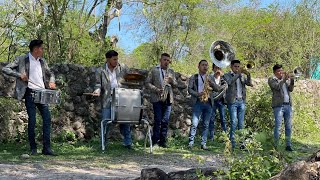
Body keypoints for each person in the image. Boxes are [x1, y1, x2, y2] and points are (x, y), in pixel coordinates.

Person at [2, 40, 57, 156]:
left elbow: (51, 73)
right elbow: (5, 69)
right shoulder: (22, 59)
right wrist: (20, 75)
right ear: (36, 49)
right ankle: (33, 148)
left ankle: (47, 148)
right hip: (29, 92)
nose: (42, 50)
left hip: (42, 93)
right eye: (41, 48)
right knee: (32, 120)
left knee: (47, 120)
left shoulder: (43, 61)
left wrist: (52, 82)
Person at [93, 50, 133, 149]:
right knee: (105, 121)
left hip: (121, 98)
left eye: (117, 59)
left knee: (125, 121)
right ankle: (103, 144)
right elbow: (98, 84)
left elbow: (131, 77)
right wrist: (97, 90)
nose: (116, 61)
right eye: (114, 59)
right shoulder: (100, 70)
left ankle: (128, 143)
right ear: (108, 59)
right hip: (107, 98)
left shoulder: (122, 68)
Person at [188, 60, 225, 150]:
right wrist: (198, 94)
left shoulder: (210, 77)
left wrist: (211, 82)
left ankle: (203, 144)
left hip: (208, 102)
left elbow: (217, 89)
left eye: (206, 65)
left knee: (206, 124)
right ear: (198, 66)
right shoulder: (194, 77)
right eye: (203, 65)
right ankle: (191, 143)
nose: (205, 67)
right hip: (198, 102)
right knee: (194, 123)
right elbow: (189, 90)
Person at [145, 53, 177, 148]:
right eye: (164, 60)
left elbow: (175, 85)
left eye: (168, 60)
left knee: (165, 121)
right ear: (160, 60)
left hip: (168, 99)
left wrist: (172, 81)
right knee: (158, 120)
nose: (166, 62)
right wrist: (156, 89)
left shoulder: (171, 71)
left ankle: (163, 142)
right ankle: (155, 141)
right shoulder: (154, 70)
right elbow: (147, 83)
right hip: (157, 98)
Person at [222, 59, 253, 149]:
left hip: (242, 101)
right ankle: (233, 143)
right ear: (231, 67)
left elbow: (249, 83)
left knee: (241, 123)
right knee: (233, 122)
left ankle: (242, 143)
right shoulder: (227, 75)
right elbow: (230, 82)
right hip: (232, 101)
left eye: (238, 66)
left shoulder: (242, 75)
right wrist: (238, 74)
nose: (237, 68)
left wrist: (248, 75)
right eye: (235, 66)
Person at [268, 64, 294, 151]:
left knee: (288, 126)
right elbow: (277, 87)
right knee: (278, 127)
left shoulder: (285, 80)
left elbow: (291, 89)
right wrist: (283, 79)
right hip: (278, 106)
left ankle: (288, 145)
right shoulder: (272, 79)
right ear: (274, 72)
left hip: (288, 105)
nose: (281, 72)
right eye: (279, 71)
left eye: (281, 70)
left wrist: (292, 79)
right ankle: (276, 146)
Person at [208, 63, 228, 141]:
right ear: (213, 69)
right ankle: (211, 137)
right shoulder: (210, 77)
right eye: (216, 68)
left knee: (223, 119)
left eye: (219, 68)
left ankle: (225, 137)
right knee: (212, 119)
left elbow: (224, 87)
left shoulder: (224, 79)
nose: (218, 69)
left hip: (221, 101)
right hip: (213, 101)